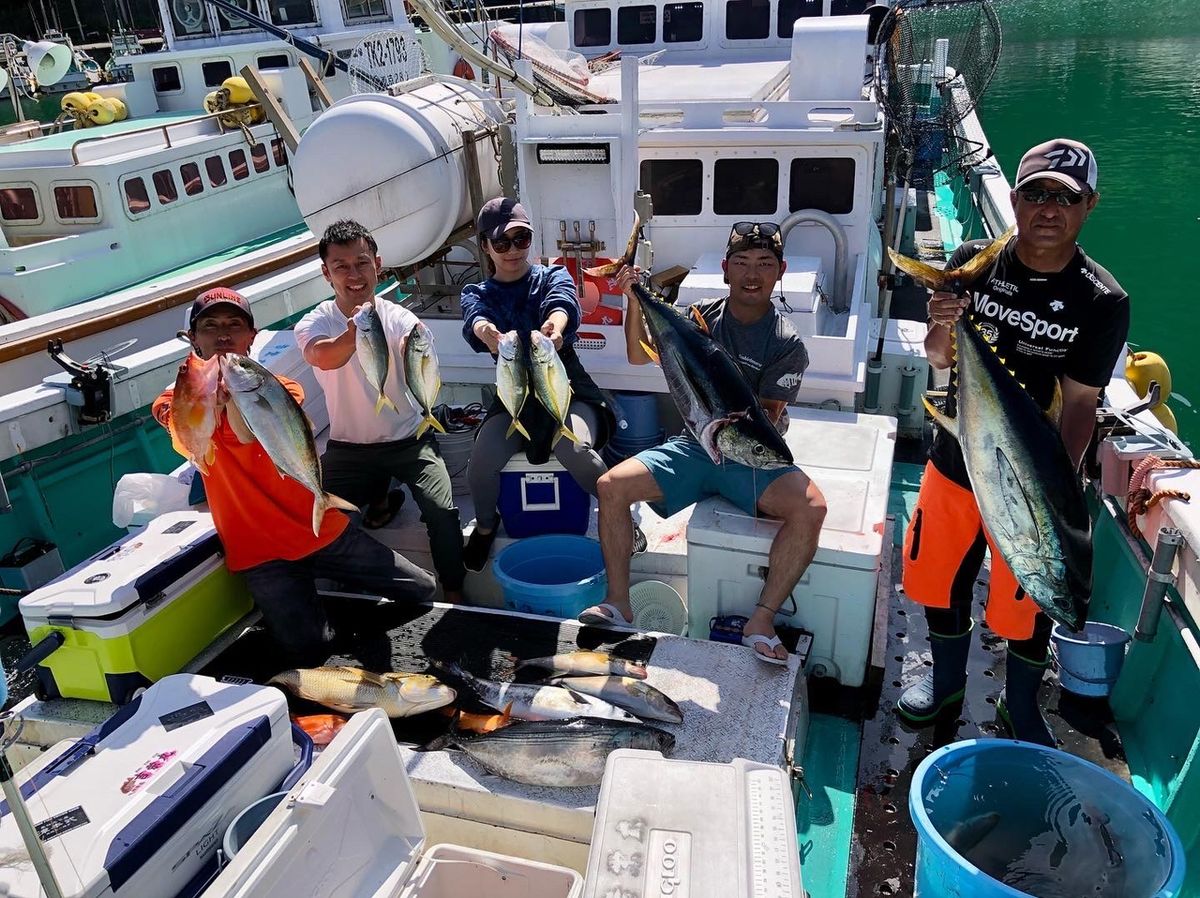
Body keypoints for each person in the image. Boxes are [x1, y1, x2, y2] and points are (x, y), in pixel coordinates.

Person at [898, 138, 1130, 745]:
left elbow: (1080, 404)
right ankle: (947, 683)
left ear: (1089, 207)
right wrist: (943, 322)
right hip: (957, 455)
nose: (1048, 208)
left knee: (1026, 599)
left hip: (1031, 475)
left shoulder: (1101, 300)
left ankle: (1019, 706)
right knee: (941, 575)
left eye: (1065, 197)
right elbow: (937, 357)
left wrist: (1053, 483)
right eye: (1036, 194)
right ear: (1014, 198)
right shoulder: (978, 260)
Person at [153, 287, 438, 664]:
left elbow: (251, 433)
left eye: (234, 325)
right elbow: (186, 431)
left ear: (251, 337)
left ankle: (328, 620)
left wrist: (235, 399)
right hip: (261, 553)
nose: (222, 334)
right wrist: (212, 402)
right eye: (209, 326)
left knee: (422, 589)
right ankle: (321, 628)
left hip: (321, 531)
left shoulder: (281, 389)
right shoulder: (178, 399)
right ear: (193, 338)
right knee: (307, 650)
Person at [587, 222, 827, 664]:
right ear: (725, 270)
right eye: (741, 263)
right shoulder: (698, 318)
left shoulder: (786, 342)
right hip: (697, 445)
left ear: (780, 273)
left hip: (748, 453)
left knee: (811, 508)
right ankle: (618, 603)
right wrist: (632, 295)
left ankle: (762, 619)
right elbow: (639, 356)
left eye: (764, 265)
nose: (752, 274)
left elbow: (764, 423)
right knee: (610, 487)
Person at [294, 219, 467, 604]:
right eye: (341, 266)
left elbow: (413, 342)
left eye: (362, 263)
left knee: (443, 512)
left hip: (411, 440)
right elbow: (323, 356)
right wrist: (358, 330)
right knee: (323, 519)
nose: (354, 275)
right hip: (349, 448)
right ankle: (352, 581)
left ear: (378, 264)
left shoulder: (399, 316)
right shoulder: (315, 322)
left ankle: (454, 592)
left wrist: (412, 343)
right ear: (326, 273)